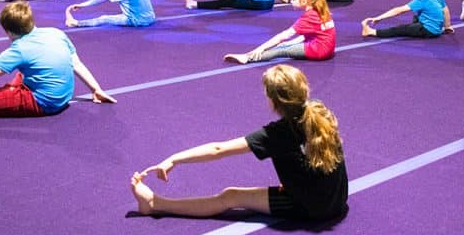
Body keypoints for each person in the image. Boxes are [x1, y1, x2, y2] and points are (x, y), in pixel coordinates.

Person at [130, 64, 348, 222]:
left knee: (230, 196)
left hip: (314, 207)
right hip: (337, 198)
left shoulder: (276, 134)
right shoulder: (319, 110)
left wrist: (173, 159)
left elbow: (218, 150)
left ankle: (155, 204)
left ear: (272, 101)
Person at [224, 0, 335, 64]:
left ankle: (247, 57)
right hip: (327, 48)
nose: (291, 1)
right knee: (285, 44)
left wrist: (260, 48)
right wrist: (291, 43)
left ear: (304, 1)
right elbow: (310, 33)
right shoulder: (319, 9)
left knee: (281, 49)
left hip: (319, 50)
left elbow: (283, 35)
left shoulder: (309, 16)